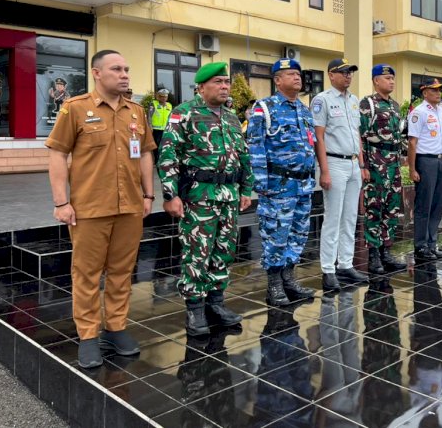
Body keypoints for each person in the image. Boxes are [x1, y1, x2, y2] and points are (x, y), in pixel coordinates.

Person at [45, 49, 155, 368]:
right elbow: (57, 154)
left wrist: (149, 195)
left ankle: (116, 328)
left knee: (122, 272)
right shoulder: (75, 108)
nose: (124, 74)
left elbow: (145, 153)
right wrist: (61, 202)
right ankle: (89, 335)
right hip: (90, 208)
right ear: (96, 73)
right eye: (116, 69)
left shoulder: (136, 111)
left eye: (126, 69)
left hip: (130, 206)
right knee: (87, 274)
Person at [157, 62, 254, 336]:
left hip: (229, 194)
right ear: (201, 87)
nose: (224, 87)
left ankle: (216, 302)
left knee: (224, 249)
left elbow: (243, 155)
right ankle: (195, 308)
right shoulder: (184, 113)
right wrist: (170, 194)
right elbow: (168, 155)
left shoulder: (231, 117)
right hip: (199, 195)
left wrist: (247, 189)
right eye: (218, 82)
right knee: (197, 252)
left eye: (226, 82)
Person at [247, 58, 316, 306]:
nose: (297, 77)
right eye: (291, 74)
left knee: (298, 233)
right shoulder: (264, 108)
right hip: (278, 185)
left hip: (303, 185)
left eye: (298, 74)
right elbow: (255, 146)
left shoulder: (304, 111)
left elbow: (310, 145)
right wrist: (262, 184)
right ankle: (274, 283)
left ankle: (289, 278)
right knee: (276, 234)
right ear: (277, 80)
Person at [311, 58, 368, 290]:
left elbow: (356, 134)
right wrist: (324, 170)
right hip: (334, 163)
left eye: (350, 72)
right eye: (343, 72)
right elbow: (319, 137)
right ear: (331, 75)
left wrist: (361, 165)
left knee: (350, 217)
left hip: (353, 163)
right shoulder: (322, 100)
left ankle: (345, 264)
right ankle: (328, 269)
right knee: (333, 218)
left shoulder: (353, 100)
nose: (348, 76)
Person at [359, 63, 407, 275]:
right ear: (376, 80)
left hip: (393, 163)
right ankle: (373, 254)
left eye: (393, 78)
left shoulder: (395, 105)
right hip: (376, 163)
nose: (391, 81)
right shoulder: (368, 104)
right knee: (375, 208)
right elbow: (360, 136)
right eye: (387, 78)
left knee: (392, 207)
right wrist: (364, 165)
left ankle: (386, 250)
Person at [407, 78, 442, 261]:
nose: (438, 93)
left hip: (440, 160)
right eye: (434, 90)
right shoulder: (419, 112)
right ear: (425, 93)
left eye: (440, 90)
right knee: (424, 205)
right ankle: (420, 246)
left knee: (437, 205)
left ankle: (432, 244)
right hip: (425, 161)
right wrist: (412, 169)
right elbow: (412, 142)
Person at [147, 88, 172, 164]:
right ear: (158, 97)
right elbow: (149, 116)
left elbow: (171, 116)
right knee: (156, 145)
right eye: (162, 96)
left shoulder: (169, 105)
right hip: (156, 129)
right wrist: (150, 126)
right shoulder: (153, 104)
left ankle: (162, 159)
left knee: (165, 145)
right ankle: (157, 160)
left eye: (165, 97)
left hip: (166, 129)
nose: (163, 98)